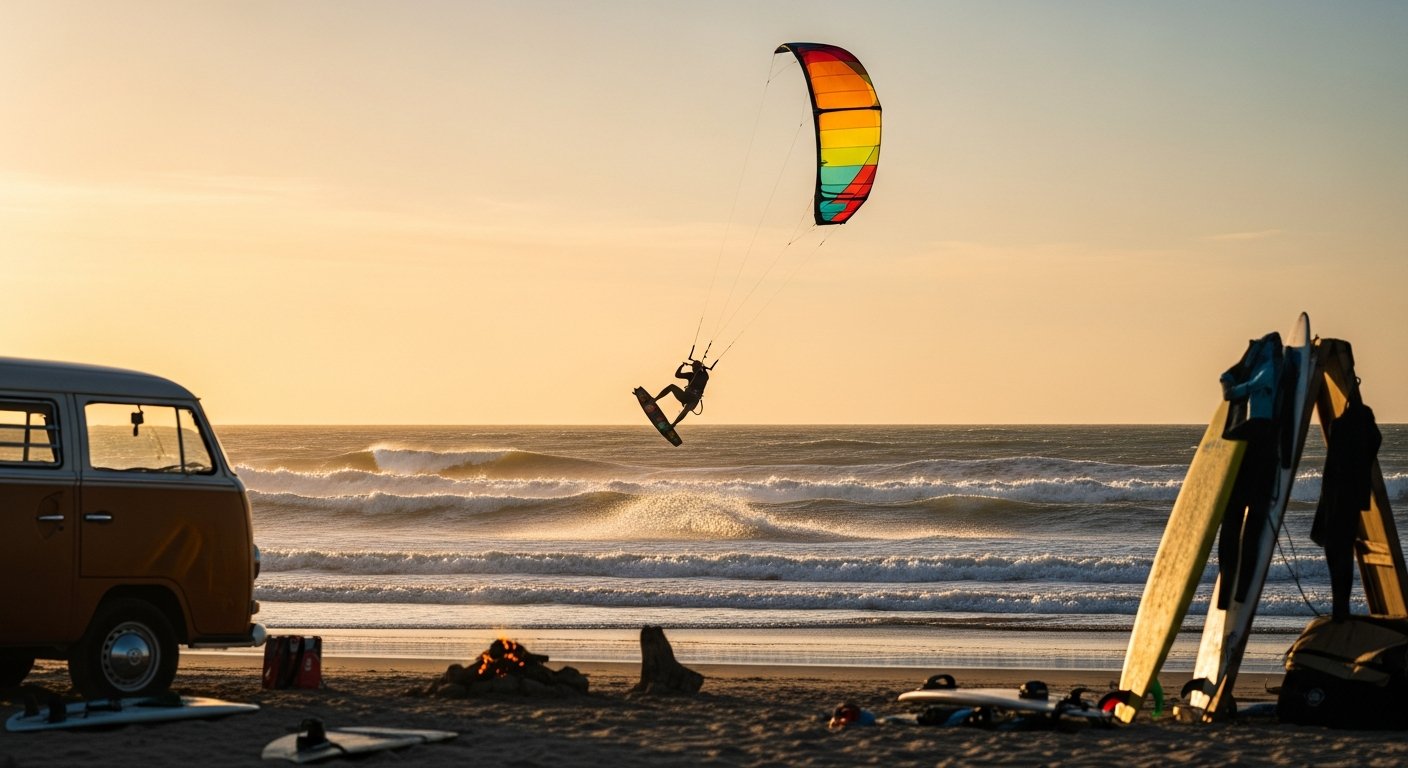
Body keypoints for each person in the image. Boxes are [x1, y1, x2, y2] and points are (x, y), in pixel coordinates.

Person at [654, 359, 710, 427]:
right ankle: (655, 399)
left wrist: (703, 368)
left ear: (698, 368)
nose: (693, 369)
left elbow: (704, 374)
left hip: (694, 399)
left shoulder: (704, 376)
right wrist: (682, 366)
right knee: (671, 386)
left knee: (686, 410)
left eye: (694, 368)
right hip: (685, 396)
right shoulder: (690, 375)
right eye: (692, 367)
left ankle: (673, 424)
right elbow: (677, 375)